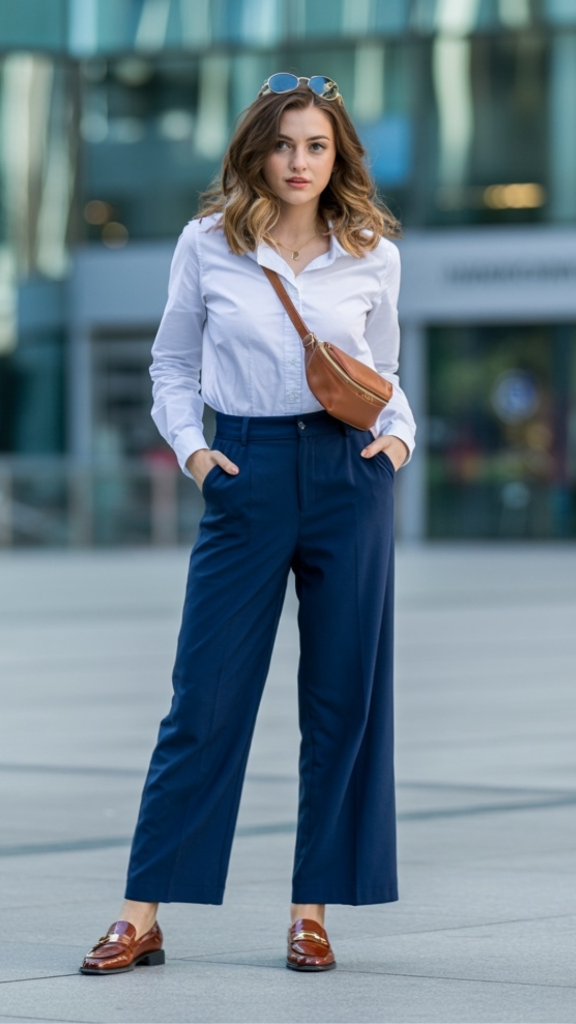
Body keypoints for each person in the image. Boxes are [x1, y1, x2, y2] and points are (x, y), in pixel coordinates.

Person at [80, 73, 416, 976]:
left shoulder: (372, 250)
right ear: (254, 152)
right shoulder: (208, 244)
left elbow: (381, 375)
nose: (299, 161)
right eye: (283, 144)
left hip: (351, 481)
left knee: (344, 699)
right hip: (248, 470)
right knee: (207, 695)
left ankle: (311, 912)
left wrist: (398, 443)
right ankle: (141, 914)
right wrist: (195, 453)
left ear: (337, 151)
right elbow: (170, 365)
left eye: (316, 144)